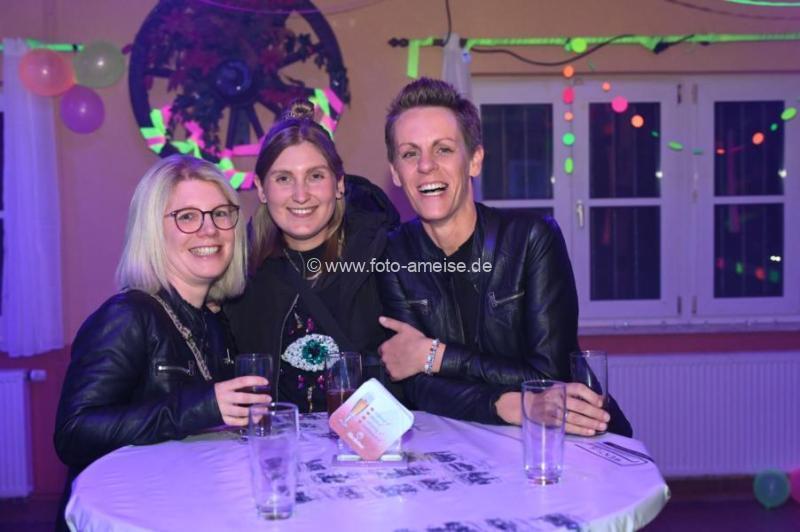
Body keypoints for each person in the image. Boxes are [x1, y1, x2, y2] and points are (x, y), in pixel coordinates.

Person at [377, 78, 631, 436]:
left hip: (573, 438)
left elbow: (549, 376)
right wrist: (511, 404)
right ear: (395, 173)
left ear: (474, 160)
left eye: (443, 149)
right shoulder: (394, 254)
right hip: (469, 441)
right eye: (409, 154)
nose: (426, 166)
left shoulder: (531, 239)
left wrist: (435, 355)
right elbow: (415, 385)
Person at [54, 155, 269, 530]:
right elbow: (74, 433)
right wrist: (202, 407)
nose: (209, 230)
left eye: (220, 213)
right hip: (128, 517)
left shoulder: (214, 320)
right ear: (153, 231)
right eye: (187, 217)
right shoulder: (126, 316)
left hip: (184, 505)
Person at [225, 101, 400, 414]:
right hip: (278, 440)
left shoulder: (386, 260)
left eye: (315, 176)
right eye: (283, 179)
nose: (301, 194)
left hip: (369, 441)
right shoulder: (239, 278)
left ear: (339, 183)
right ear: (261, 189)